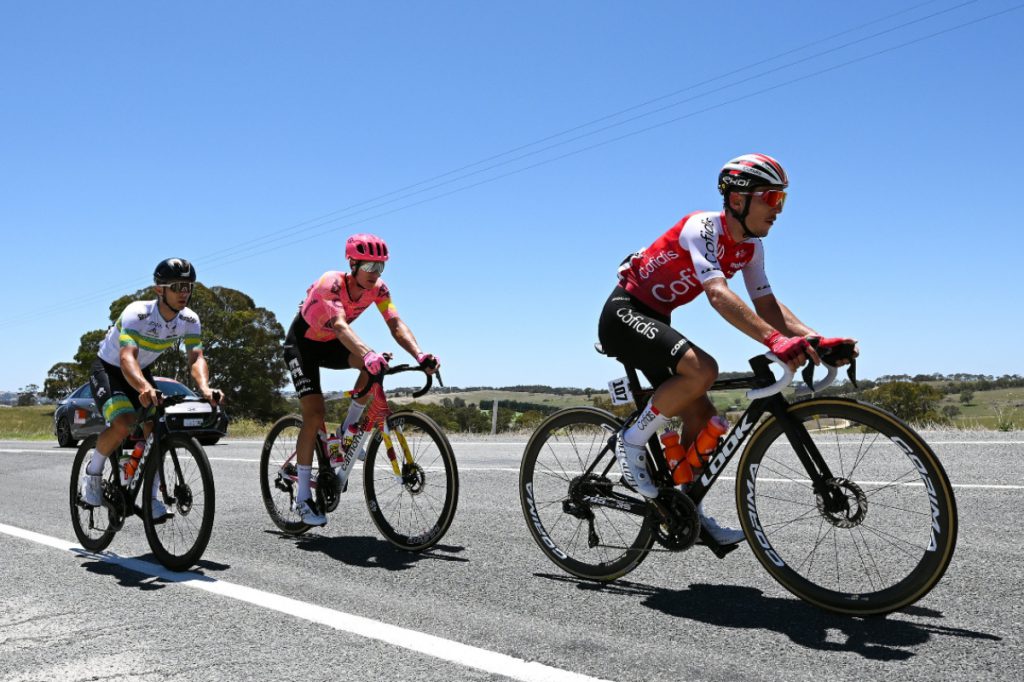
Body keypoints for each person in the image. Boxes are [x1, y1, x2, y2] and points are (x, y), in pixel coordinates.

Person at [597, 153, 857, 544]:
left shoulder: (751, 247)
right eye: (771, 198)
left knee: (703, 416)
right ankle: (631, 440)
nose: (778, 210)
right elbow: (718, 294)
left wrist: (815, 341)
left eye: (782, 199)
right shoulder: (702, 227)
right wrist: (775, 341)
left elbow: (767, 306)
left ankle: (686, 511)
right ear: (737, 199)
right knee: (703, 369)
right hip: (625, 313)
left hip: (657, 320)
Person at [284, 233, 439, 526]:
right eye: (369, 266)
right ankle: (303, 498)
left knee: (374, 368)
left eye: (380, 267)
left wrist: (420, 355)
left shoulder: (379, 290)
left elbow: (395, 323)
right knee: (315, 414)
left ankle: (348, 431)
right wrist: (367, 353)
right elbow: (340, 325)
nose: (375, 273)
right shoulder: (331, 282)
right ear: (352, 264)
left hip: (332, 344)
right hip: (303, 346)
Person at [78, 258, 221, 518]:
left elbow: (196, 358)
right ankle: (93, 472)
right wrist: (144, 387)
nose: (184, 293)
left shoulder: (189, 319)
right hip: (110, 368)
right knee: (124, 424)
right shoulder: (138, 313)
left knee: (155, 429)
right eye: (176, 287)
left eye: (188, 287)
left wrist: (205, 388)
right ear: (159, 289)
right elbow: (126, 357)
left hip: (140, 370)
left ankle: (150, 497)